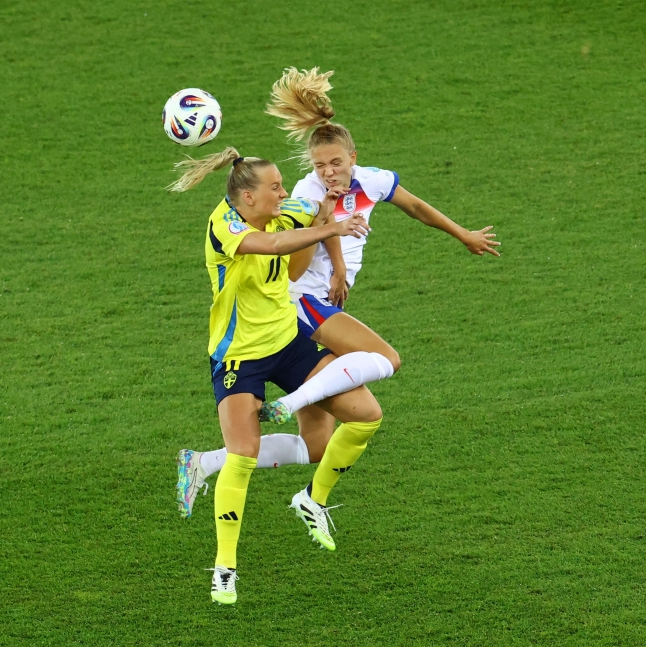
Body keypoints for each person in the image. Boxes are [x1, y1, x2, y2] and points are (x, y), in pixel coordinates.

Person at [177, 67, 500, 515]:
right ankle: (292, 412)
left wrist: (462, 233)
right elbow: (300, 250)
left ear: (353, 157)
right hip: (302, 301)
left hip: (322, 299)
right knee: (386, 359)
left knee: (316, 446)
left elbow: (417, 207)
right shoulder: (309, 192)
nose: (327, 172)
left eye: (335, 163)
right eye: (319, 165)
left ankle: (202, 464)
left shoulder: (372, 181)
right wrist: (339, 260)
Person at [170, 145, 390, 605]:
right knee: (243, 456)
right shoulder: (224, 226)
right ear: (247, 197)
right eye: (275, 188)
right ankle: (224, 568)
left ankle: (313, 499)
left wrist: (325, 209)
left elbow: (303, 238)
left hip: (288, 346)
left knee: (364, 414)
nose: (285, 193)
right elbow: (269, 245)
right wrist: (327, 226)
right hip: (239, 360)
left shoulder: (287, 209)